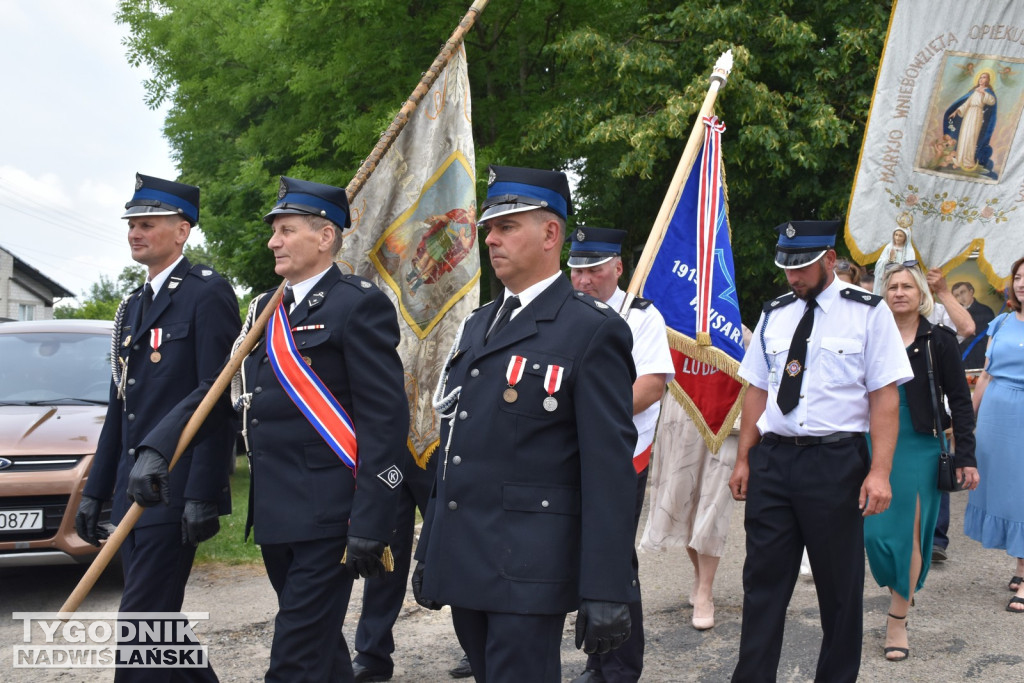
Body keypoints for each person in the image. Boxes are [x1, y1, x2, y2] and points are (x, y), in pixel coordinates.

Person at [133, 177, 409, 682]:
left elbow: (385, 421)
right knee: (322, 655)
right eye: (274, 232)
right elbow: (218, 387)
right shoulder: (266, 309)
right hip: (279, 514)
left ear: (325, 237)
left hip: (332, 517)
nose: (272, 242)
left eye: (285, 231)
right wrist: (158, 445)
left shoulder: (358, 305)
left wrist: (373, 521)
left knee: (293, 661)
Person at [412, 165, 640, 683]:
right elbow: (455, 448)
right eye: (490, 227)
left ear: (551, 234)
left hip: (530, 565)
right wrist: (432, 549)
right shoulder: (479, 322)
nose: (490, 238)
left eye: (507, 226)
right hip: (469, 554)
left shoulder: (592, 330)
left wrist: (607, 587)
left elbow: (608, 472)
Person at [728, 220, 912, 683]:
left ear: (829, 260)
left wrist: (880, 472)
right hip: (774, 459)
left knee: (838, 590)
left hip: (834, 462)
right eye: (787, 267)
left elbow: (884, 396)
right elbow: (757, 388)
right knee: (763, 585)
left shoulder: (868, 312)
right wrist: (745, 457)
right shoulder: (775, 312)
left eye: (803, 267)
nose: (794, 277)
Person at [75, 173, 240, 682]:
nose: (135, 232)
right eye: (131, 224)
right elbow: (121, 411)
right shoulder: (131, 307)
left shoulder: (207, 294)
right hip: (132, 491)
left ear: (182, 230)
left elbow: (219, 395)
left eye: (147, 223)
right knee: (158, 625)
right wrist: (95, 491)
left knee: (141, 622)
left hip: (173, 486)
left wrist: (204, 492)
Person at [566, 227, 675, 683]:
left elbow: (651, 385)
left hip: (620, 456)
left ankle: (620, 667)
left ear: (617, 267)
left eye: (593, 269)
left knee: (612, 557)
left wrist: (590, 415)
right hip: (567, 454)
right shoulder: (564, 312)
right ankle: (596, 657)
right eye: (577, 270)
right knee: (573, 555)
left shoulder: (641, 317)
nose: (584, 279)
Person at [864, 262, 978, 661]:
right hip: (869, 440)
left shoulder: (939, 339)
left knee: (910, 533)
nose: (898, 292)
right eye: (891, 286)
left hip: (919, 444)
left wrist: (967, 455)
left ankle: (897, 618)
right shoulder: (869, 334)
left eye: (906, 287)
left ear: (920, 295)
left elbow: (960, 402)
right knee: (875, 535)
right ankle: (900, 591)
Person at [638, 325, 752, 631]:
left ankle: (705, 591)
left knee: (713, 506)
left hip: (726, 425)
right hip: (681, 419)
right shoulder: (671, 326)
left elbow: (756, 382)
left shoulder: (739, 329)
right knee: (685, 504)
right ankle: (700, 576)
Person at [965, 255, 1024, 614]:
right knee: (1006, 493)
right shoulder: (1001, 322)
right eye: (1018, 277)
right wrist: (967, 420)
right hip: (996, 416)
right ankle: (1020, 560)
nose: (1022, 283)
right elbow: (985, 374)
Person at [944, 70, 997, 175]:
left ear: (988, 80)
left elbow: (992, 101)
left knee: (971, 137)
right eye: (980, 77)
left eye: (984, 77)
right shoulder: (975, 90)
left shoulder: (987, 91)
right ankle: (959, 160)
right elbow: (967, 103)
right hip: (968, 114)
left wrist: (984, 94)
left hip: (977, 114)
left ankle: (968, 161)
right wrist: (956, 111)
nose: (981, 79)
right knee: (963, 135)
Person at [952, 280, 996, 369]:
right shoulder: (954, 314)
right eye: (957, 295)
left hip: (981, 355)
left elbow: (988, 335)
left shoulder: (985, 310)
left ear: (971, 291)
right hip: (963, 357)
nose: (961, 297)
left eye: (962, 292)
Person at [873, 227, 912, 295]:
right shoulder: (889, 247)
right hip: (887, 276)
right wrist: (889, 260)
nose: (897, 238)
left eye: (900, 236)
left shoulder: (909, 251)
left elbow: (911, 266)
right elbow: (880, 262)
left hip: (901, 277)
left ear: (905, 238)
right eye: (896, 235)